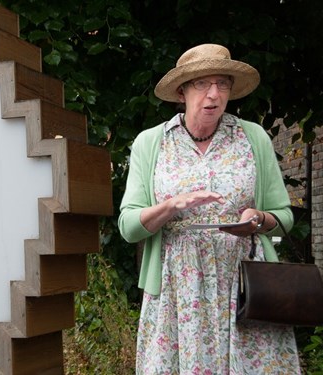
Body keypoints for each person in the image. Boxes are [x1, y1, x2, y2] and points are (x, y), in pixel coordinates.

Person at [118, 44, 301, 373]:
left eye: (223, 84)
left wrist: (258, 219)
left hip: (245, 287)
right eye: (202, 84)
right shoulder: (152, 142)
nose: (214, 94)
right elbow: (129, 226)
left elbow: (285, 217)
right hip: (177, 289)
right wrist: (171, 206)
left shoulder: (253, 137)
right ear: (181, 91)